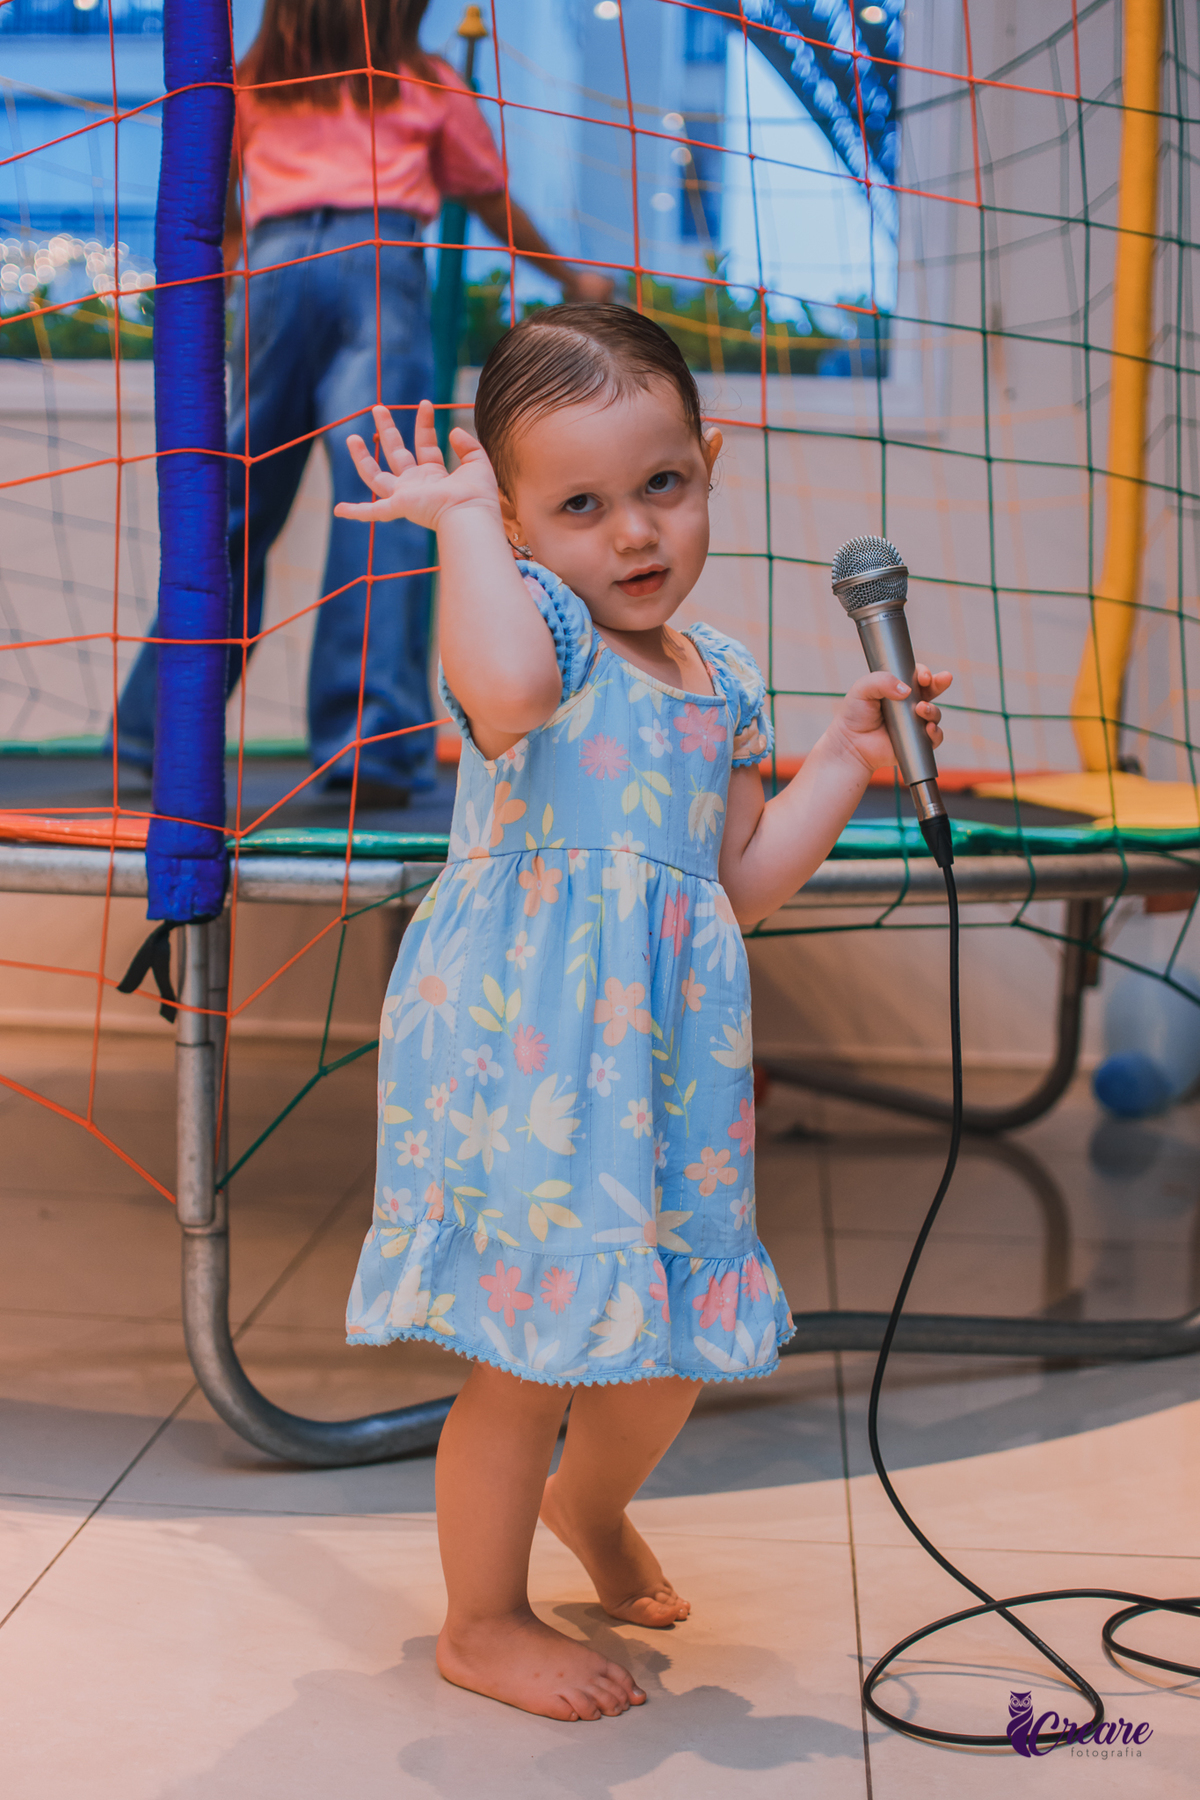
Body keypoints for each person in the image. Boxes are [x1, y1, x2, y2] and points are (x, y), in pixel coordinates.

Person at [338, 305, 951, 1719]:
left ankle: (588, 1509)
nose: (630, 535)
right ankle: (480, 1619)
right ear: (518, 517)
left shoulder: (725, 673)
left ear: (710, 462)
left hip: (663, 1063)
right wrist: (463, 530)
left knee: (667, 1347)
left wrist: (848, 762)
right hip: (526, 1052)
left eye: (661, 487)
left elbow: (735, 885)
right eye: (579, 504)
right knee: (522, 1355)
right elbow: (499, 692)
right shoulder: (534, 625)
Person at [111, 0, 611, 804]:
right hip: (378, 267)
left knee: (233, 508)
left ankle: (155, 729)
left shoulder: (256, 82)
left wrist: (233, 278)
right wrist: (573, 277)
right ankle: (366, 744)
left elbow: (223, 201)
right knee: (391, 496)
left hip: (273, 275)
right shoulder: (423, 81)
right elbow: (492, 198)